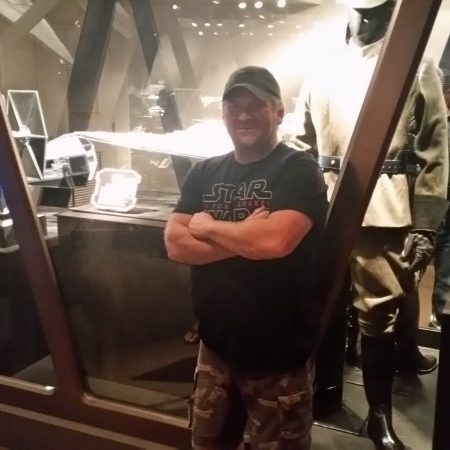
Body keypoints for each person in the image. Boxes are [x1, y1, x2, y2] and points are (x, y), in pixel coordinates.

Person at [288, 1, 449, 448]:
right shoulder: (321, 64)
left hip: (382, 209)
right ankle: (318, 396)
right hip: (322, 206)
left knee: (379, 316)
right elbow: (298, 140)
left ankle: (379, 415)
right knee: (318, 304)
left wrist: (425, 225)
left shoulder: (416, 65)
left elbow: (435, 152)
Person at [164, 66, 328, 450]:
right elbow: (175, 244)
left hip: (278, 356)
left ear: (279, 112)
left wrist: (209, 226)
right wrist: (244, 238)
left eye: (256, 105)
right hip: (215, 350)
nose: (243, 115)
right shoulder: (204, 172)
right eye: (234, 106)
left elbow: (274, 242)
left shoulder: (299, 170)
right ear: (223, 114)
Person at [430, 86, 450, 329]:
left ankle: (439, 316)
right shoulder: (434, 122)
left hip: (441, 202)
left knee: (446, 270)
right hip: (432, 204)